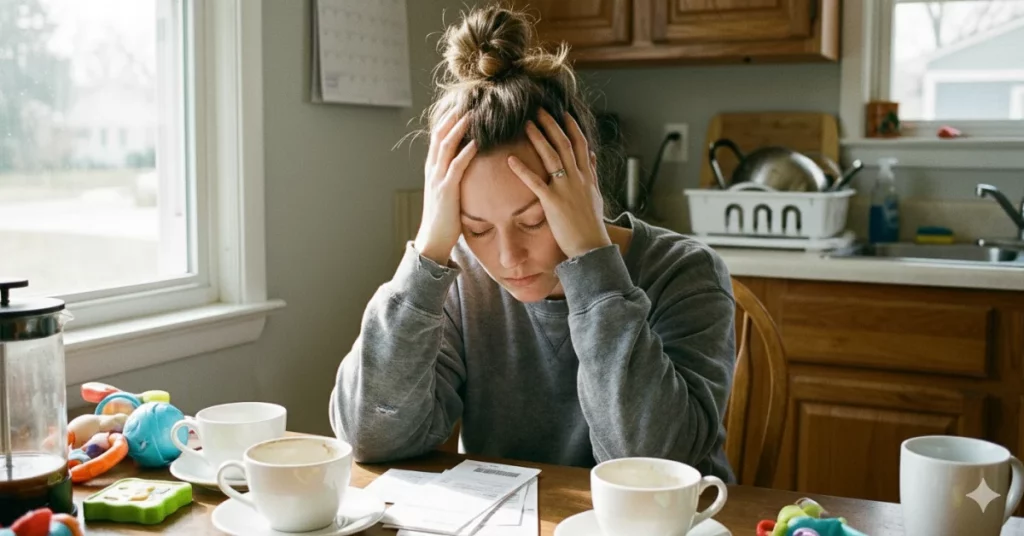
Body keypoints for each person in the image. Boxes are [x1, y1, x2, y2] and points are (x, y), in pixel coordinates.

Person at [329, 3, 738, 483]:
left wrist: (591, 264)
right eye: (477, 228)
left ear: (583, 184)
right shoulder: (463, 281)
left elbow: (652, 465)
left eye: (533, 220)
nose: (506, 258)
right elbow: (368, 437)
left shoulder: (686, 272)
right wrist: (427, 256)